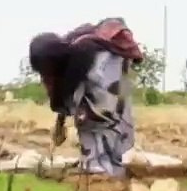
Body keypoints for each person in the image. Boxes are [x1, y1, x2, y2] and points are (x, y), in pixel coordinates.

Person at [28, 18, 143, 178]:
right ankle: (97, 165)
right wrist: (60, 122)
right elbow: (68, 95)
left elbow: (81, 96)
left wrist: (81, 113)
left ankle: (107, 170)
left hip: (111, 74)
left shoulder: (87, 56)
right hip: (108, 82)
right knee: (89, 119)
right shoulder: (65, 64)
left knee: (101, 120)